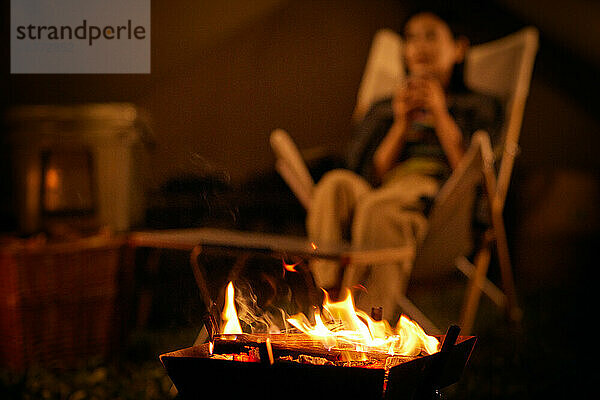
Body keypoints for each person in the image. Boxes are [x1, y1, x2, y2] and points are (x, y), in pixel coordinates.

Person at [306, 11, 504, 321]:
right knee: (334, 185)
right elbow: (369, 173)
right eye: (411, 38)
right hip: (384, 189)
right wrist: (400, 125)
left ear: (458, 48)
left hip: (436, 199)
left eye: (431, 35)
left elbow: (472, 174)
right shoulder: (384, 107)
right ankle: (329, 294)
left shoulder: (479, 106)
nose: (420, 46)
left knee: (380, 209)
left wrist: (439, 114)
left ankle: (364, 322)